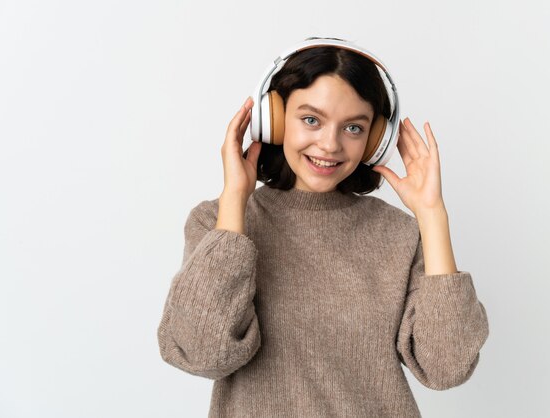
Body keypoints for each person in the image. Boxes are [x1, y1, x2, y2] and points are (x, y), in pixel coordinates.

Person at [156, 37, 489, 418]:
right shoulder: (216, 223)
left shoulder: (400, 234)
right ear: (274, 120)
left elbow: (446, 368)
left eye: (353, 128)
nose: (330, 144)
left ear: (374, 140)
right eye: (311, 119)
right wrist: (235, 199)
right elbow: (201, 352)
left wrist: (432, 216)